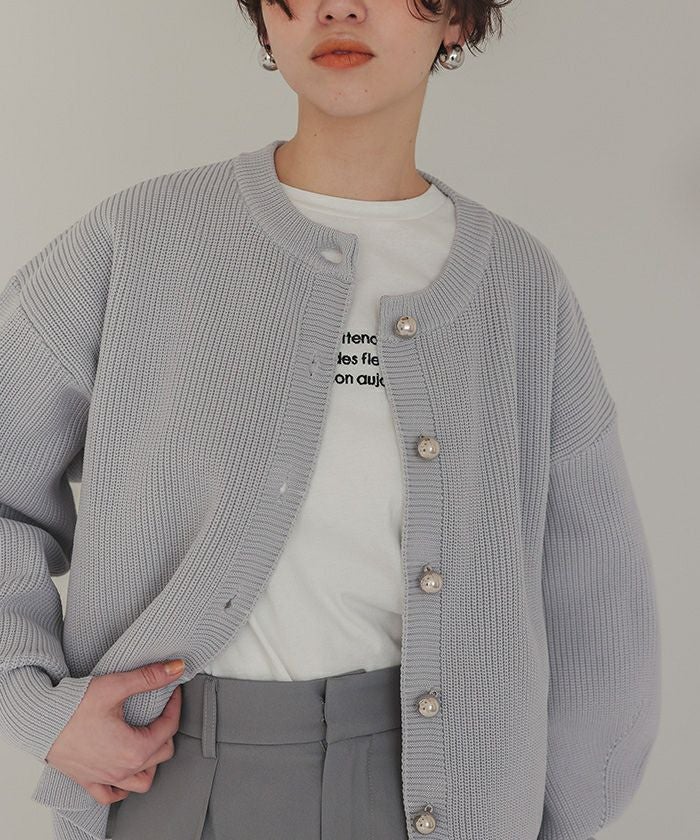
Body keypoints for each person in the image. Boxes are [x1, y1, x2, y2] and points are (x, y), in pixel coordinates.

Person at [0, 2, 661, 840]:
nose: (339, 7)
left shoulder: (520, 290)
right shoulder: (141, 240)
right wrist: (32, 702)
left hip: (449, 794)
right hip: (167, 782)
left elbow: (596, 593)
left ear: (455, 20)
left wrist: (564, 813)